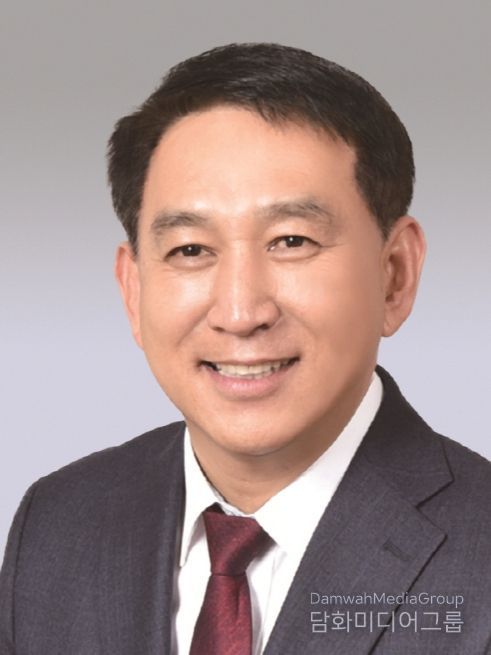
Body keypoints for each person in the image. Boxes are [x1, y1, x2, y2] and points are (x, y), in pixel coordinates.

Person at [1, 42, 490, 655]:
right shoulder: (57, 524)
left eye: (292, 241)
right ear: (134, 289)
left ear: (395, 274)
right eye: (190, 250)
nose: (240, 313)